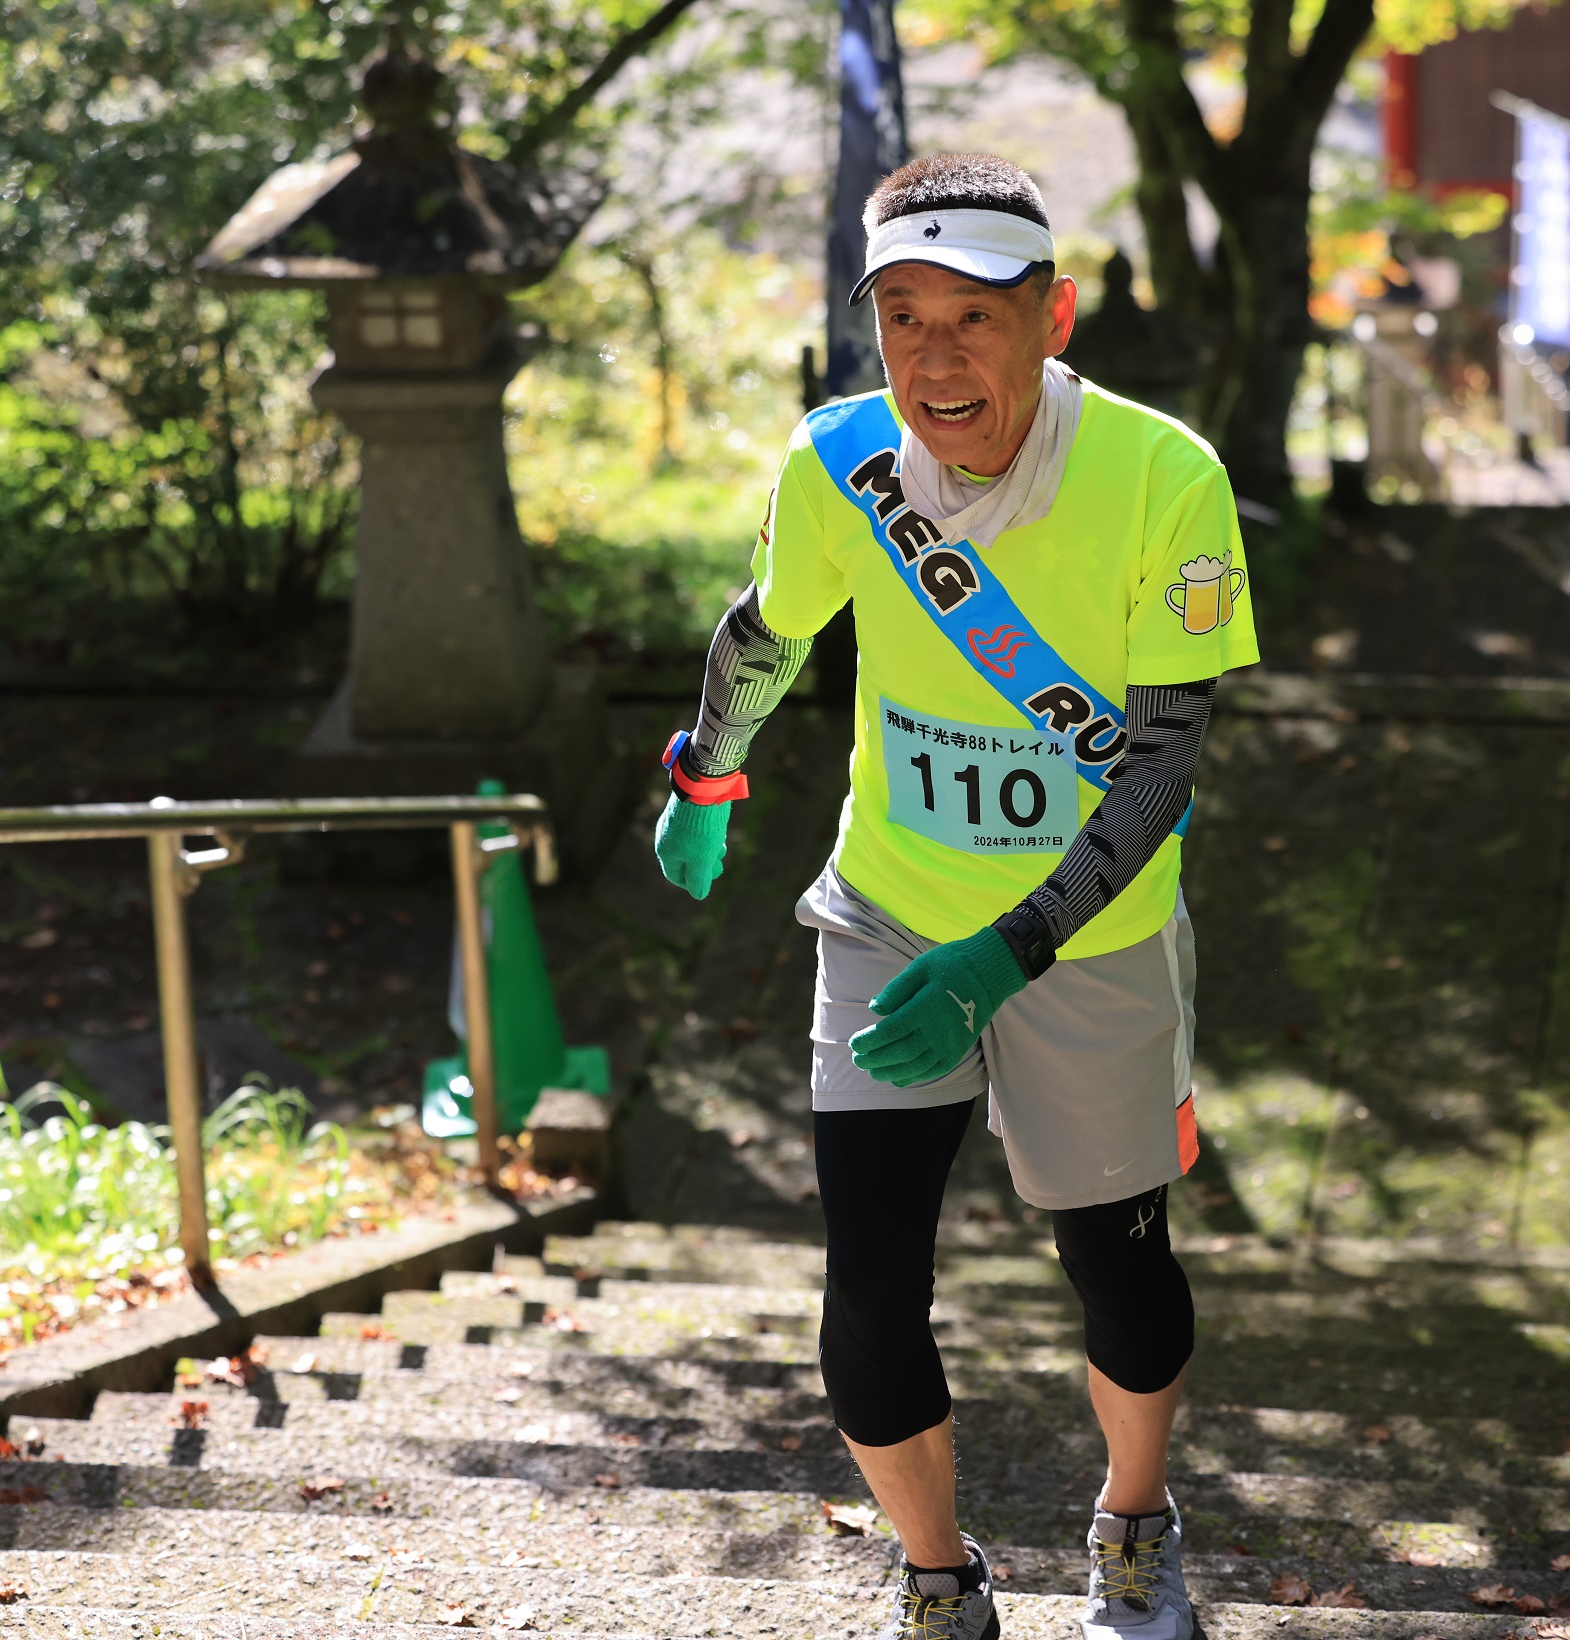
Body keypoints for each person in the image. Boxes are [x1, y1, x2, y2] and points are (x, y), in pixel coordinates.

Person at [650, 152, 1257, 1640]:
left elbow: (1164, 762)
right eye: (900, 315)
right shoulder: (840, 460)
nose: (932, 357)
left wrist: (1014, 951)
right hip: (886, 912)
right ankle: (937, 1579)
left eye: (972, 316)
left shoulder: (1162, 476)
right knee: (864, 1284)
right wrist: (705, 779)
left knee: (1115, 1272)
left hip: (1091, 938)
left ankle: (1131, 1523)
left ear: (1049, 319)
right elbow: (764, 630)